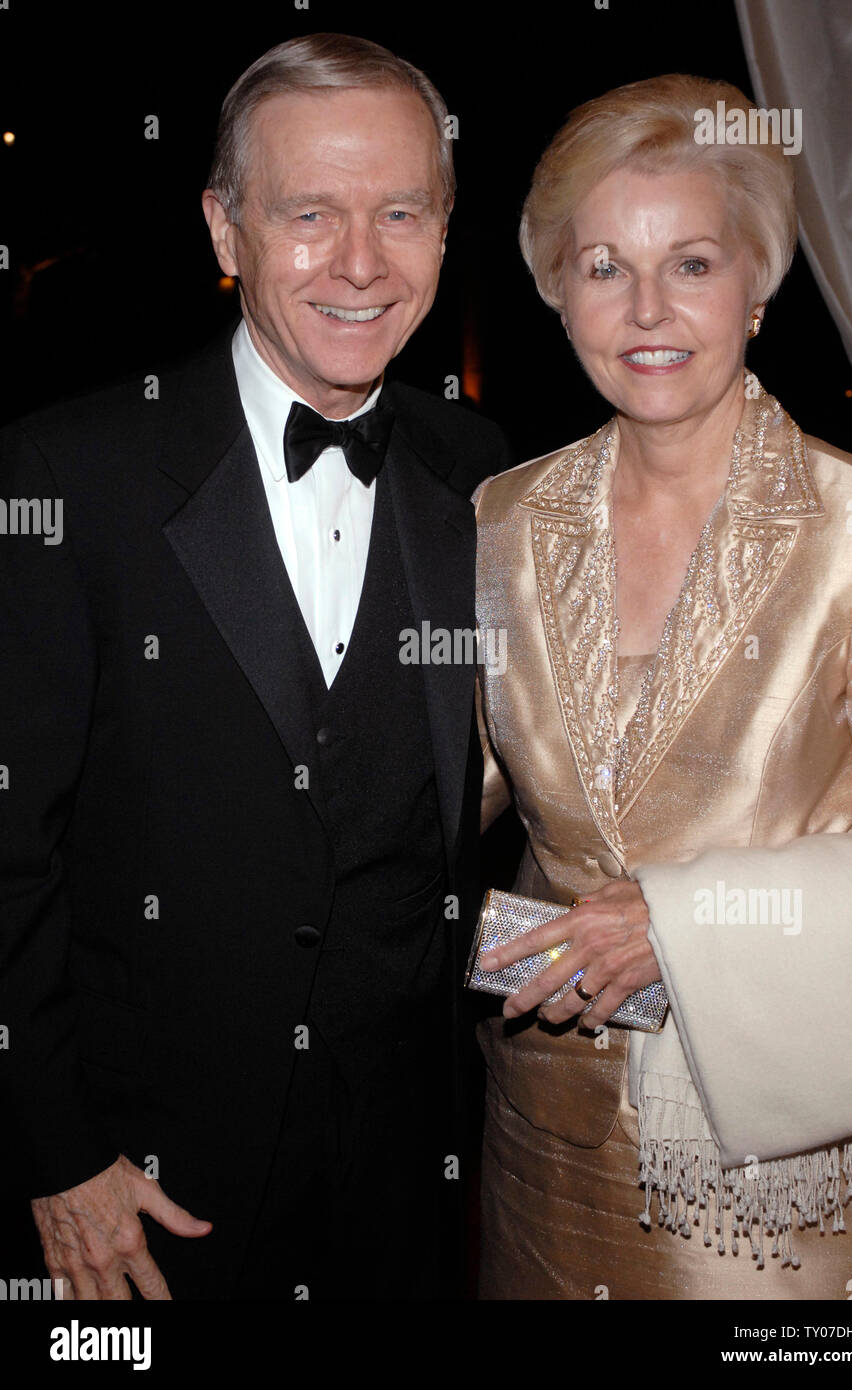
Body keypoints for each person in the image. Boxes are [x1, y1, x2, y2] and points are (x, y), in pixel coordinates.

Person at [0, 33, 510, 1301]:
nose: (360, 262)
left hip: (410, 1177)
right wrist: (55, 1156)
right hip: (144, 1195)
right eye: (309, 214)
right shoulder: (66, 477)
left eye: (401, 212)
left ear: (446, 231)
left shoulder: (484, 470)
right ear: (226, 231)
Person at [472, 74, 852, 1300]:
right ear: (556, 290)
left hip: (787, 1180)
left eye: (694, 263)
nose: (647, 308)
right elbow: (447, 790)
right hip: (548, 1143)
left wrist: (692, 930)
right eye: (604, 265)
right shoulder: (503, 520)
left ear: (758, 287)